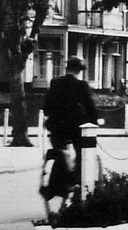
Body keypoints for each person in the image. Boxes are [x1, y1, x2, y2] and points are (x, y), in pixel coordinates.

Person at [42, 57, 98, 192]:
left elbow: (46, 107)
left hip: (56, 127)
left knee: (59, 150)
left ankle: (57, 178)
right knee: (81, 152)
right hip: (75, 128)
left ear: (67, 69)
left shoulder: (55, 83)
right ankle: (76, 180)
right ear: (79, 71)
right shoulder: (81, 85)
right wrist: (93, 123)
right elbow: (90, 108)